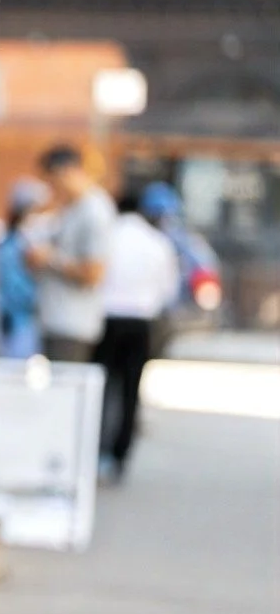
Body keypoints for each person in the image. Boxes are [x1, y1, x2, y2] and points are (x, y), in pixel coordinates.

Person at [93, 190, 179, 484]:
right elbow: (168, 289)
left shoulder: (109, 236)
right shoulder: (158, 242)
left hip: (106, 320)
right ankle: (119, 455)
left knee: (101, 389)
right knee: (130, 391)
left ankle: (93, 451)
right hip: (141, 322)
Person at [25, 145, 115, 362]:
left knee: (65, 390)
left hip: (72, 325)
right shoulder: (70, 208)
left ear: (64, 172)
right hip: (55, 320)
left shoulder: (94, 210)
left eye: (50, 181)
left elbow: (94, 272)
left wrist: (49, 258)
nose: (49, 189)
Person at [0, 179, 49, 359]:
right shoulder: (15, 244)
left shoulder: (21, 240)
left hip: (24, 321)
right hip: (19, 321)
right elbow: (13, 288)